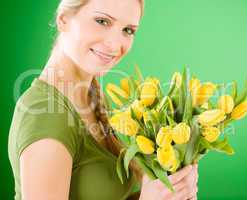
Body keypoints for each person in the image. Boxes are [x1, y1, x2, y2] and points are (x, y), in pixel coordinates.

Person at [8, 0, 199, 199]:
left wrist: (169, 189)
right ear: (63, 20)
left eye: (128, 30)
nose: (115, 44)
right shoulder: (46, 114)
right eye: (102, 21)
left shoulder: (90, 95)